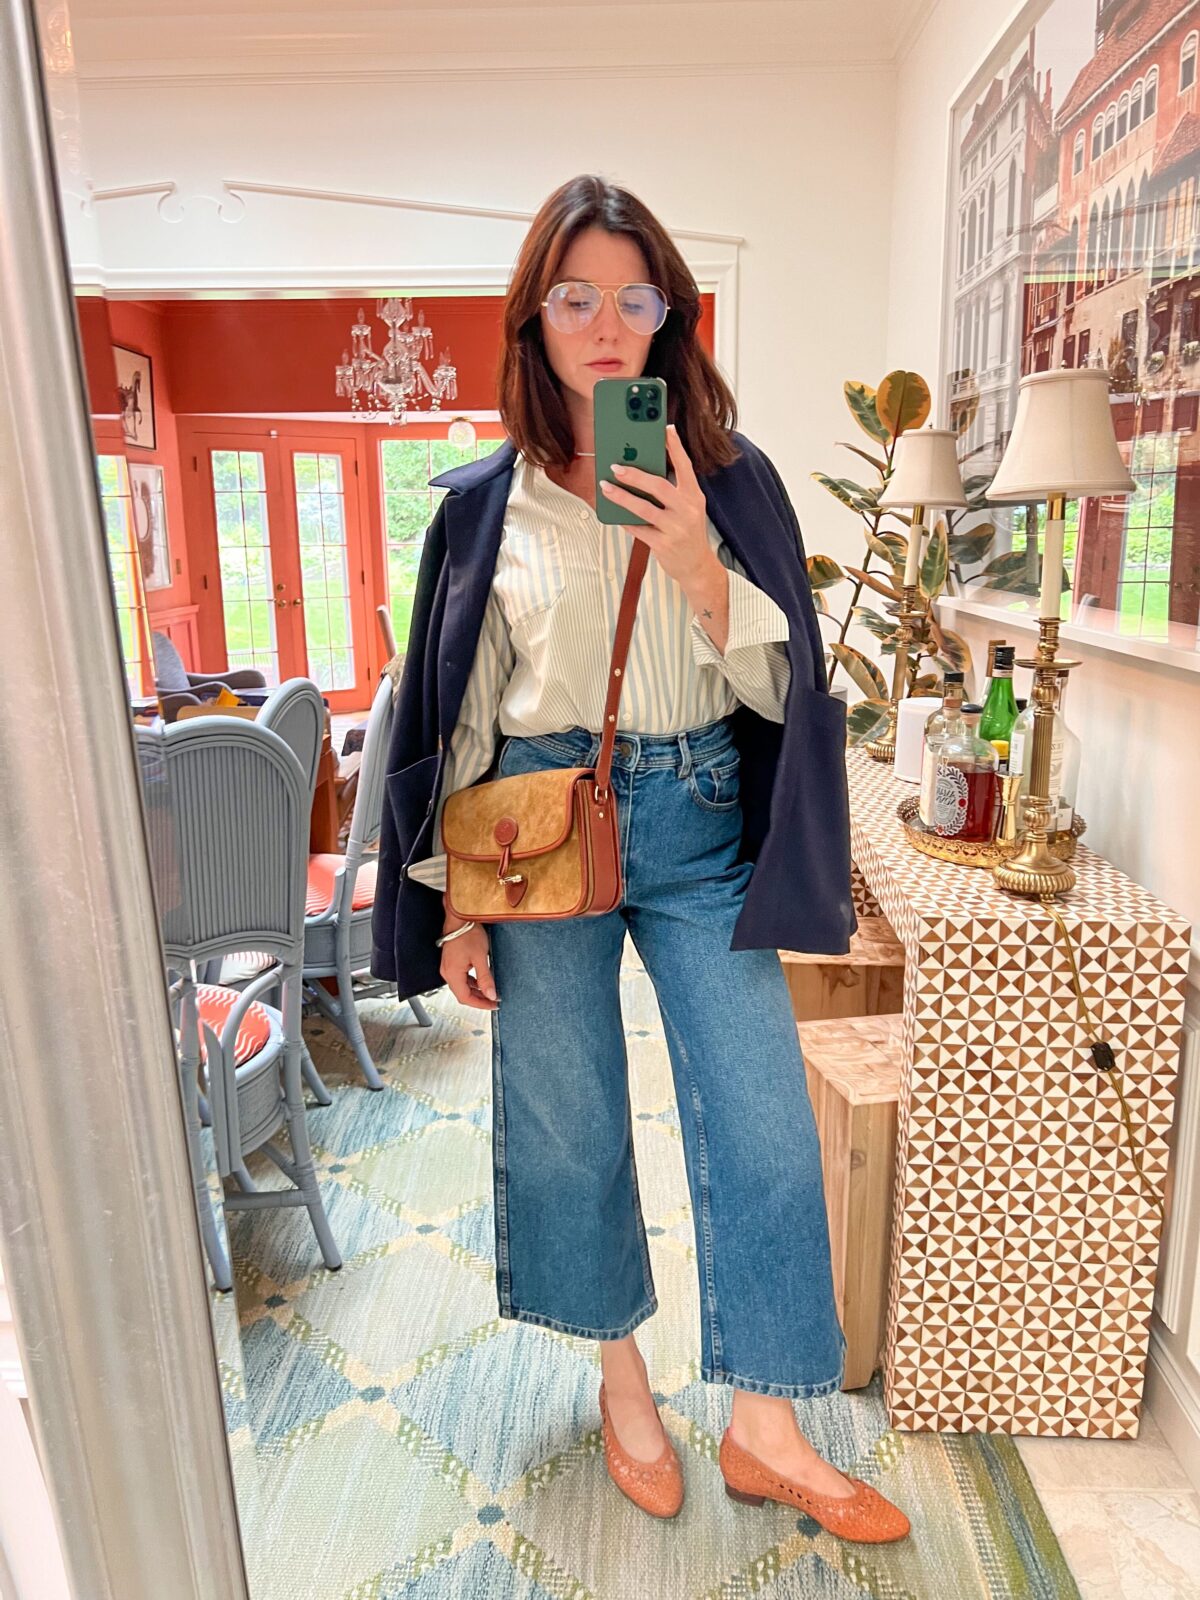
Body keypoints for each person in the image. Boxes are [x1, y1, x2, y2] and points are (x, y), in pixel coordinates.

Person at [373, 174, 909, 1543]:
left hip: (704, 814)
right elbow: (461, 707)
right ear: (534, 320)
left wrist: (697, 567)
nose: (607, 328)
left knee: (766, 1132)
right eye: (575, 299)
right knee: (571, 1124)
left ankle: (766, 1430)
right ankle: (624, 1385)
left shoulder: (728, 481)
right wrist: (454, 914)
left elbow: (794, 695)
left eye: (634, 298)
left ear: (670, 313)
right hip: (536, 824)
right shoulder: (486, 507)